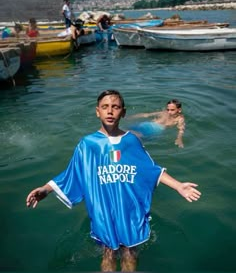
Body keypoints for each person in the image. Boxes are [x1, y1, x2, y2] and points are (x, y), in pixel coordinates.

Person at [26, 90, 201, 272]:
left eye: (115, 107)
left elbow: (151, 169)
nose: (110, 111)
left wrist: (179, 186)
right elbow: (72, 172)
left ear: (123, 112)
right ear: (97, 111)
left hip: (129, 209)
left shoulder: (132, 140)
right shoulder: (88, 144)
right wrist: (45, 190)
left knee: (130, 253)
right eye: (105, 107)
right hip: (103, 210)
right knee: (108, 252)